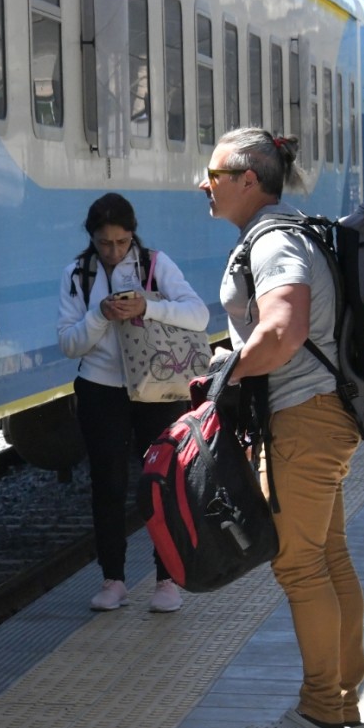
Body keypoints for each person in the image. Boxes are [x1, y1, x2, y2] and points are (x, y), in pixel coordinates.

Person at [200, 128, 364, 728]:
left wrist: (224, 375)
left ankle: (322, 713)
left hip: (302, 421)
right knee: (327, 556)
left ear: (249, 180)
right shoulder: (290, 230)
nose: (204, 185)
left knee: (299, 566)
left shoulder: (272, 242)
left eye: (214, 176)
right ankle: (341, 707)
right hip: (321, 416)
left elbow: (282, 331)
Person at [56, 193, 209, 613]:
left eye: (122, 242)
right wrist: (100, 315)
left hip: (156, 389)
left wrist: (150, 306)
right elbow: (69, 344)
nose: (114, 252)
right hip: (99, 389)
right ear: (92, 239)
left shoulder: (156, 264)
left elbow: (199, 315)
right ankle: (113, 580)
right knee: (107, 485)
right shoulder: (77, 274)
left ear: (132, 235)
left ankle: (166, 580)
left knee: (160, 483)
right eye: (105, 243)